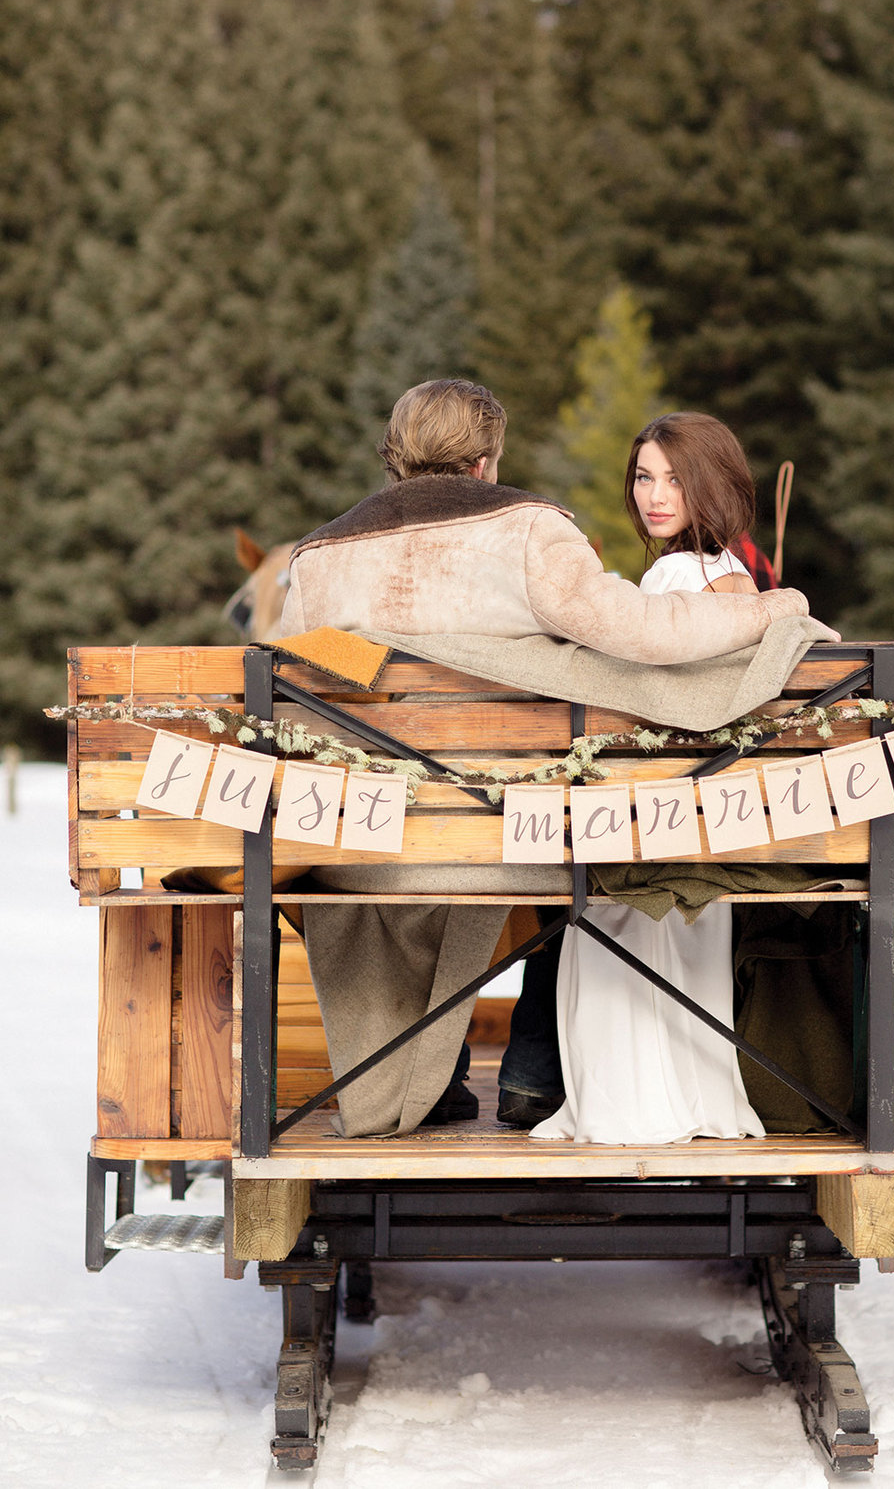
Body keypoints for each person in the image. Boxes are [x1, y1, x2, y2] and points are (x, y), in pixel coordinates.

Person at [280, 381, 822, 1139]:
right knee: (580, 841)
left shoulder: (316, 558)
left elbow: (302, 680)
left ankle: (416, 1076)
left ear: (394, 456)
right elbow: (639, 632)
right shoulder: (529, 530)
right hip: (514, 835)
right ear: (485, 457)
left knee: (396, 881)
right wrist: (768, 607)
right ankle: (528, 1073)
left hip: (366, 843)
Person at [531, 412, 778, 1145]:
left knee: (590, 912)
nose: (655, 494)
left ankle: (626, 1101)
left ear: (717, 485)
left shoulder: (671, 577)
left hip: (650, 819)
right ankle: (693, 1097)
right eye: (644, 475)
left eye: (676, 477)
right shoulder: (740, 578)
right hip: (713, 819)